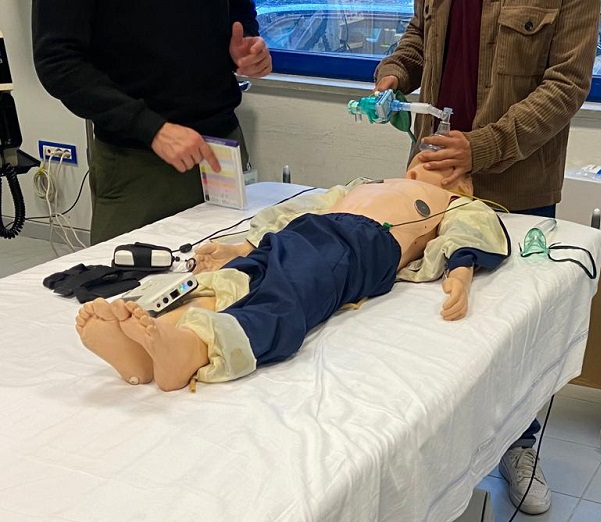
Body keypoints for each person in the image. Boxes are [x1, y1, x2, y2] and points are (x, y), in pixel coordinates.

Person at [373, 0, 600, 515]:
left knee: (512, 330)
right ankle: (433, 449)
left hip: (516, 187)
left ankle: (520, 444)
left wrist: (485, 146)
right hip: (434, 175)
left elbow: (566, 85)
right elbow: (419, 37)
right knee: (429, 317)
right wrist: (395, 71)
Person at [75, 158, 509, 394]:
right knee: (239, 275)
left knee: (291, 291)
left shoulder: (454, 201)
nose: (433, 157)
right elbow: (302, 208)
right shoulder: (365, 182)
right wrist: (243, 246)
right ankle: (151, 345)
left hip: (362, 245)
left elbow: (472, 231)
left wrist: (460, 271)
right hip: (307, 230)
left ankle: (195, 348)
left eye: (449, 164)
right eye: (427, 153)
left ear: (464, 185)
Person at [32, 1, 272, 244]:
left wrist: (246, 46)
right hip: (140, 161)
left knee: (236, 262)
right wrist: (150, 127)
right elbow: (57, 61)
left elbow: (238, 10)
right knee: (131, 268)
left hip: (222, 149)